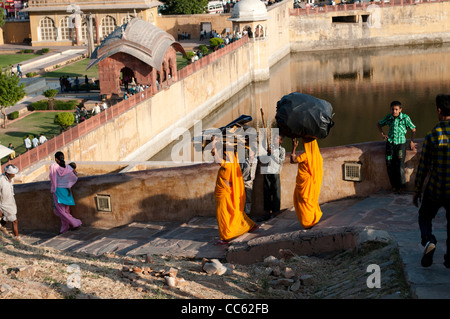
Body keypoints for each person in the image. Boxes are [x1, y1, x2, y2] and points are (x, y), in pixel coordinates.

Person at [413, 94, 450, 268]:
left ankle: (429, 240)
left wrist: (417, 190)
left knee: (425, 217)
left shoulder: (432, 135)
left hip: (435, 188)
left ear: (439, 111)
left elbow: (424, 167)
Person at [211, 136, 258, 245]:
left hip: (224, 193)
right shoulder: (233, 161)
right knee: (234, 212)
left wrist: (213, 144)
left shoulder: (228, 164)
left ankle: (225, 237)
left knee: (223, 214)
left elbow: (216, 158)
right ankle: (249, 225)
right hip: (227, 191)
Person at [377, 101, 417, 192]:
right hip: (390, 143)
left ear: (400, 110)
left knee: (399, 164)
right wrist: (383, 134)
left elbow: (413, 129)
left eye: (396, 109)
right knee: (389, 164)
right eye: (392, 109)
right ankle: (394, 186)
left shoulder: (405, 118)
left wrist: (411, 142)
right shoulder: (389, 118)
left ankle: (402, 186)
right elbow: (379, 124)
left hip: (401, 144)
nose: (394, 111)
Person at [290, 137, 323, 229]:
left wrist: (294, 148)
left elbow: (293, 160)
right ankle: (313, 219)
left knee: (304, 202)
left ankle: (307, 222)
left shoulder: (305, 156)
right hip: (312, 183)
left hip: (304, 183)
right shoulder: (317, 156)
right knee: (311, 200)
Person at [49, 151, 82, 234]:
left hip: (58, 191)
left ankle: (75, 223)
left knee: (59, 211)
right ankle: (64, 228)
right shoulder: (68, 168)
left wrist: (54, 188)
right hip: (67, 192)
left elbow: (52, 178)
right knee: (66, 211)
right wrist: (68, 185)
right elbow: (74, 177)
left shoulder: (54, 167)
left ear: (56, 159)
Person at [259, 132, 286, 220]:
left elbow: (281, 160)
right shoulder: (269, 148)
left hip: (275, 172)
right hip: (267, 171)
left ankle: (275, 212)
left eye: (276, 138)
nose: (274, 139)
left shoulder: (282, 150)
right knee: (266, 192)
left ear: (280, 141)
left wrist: (273, 154)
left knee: (275, 192)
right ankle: (267, 212)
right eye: (274, 137)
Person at [0, 164, 20, 238]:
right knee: (15, 221)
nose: (14, 176)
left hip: (11, 202)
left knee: (5, 220)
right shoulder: (1, 180)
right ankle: (17, 238)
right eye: (12, 174)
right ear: (7, 173)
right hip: (3, 204)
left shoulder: (11, 179)